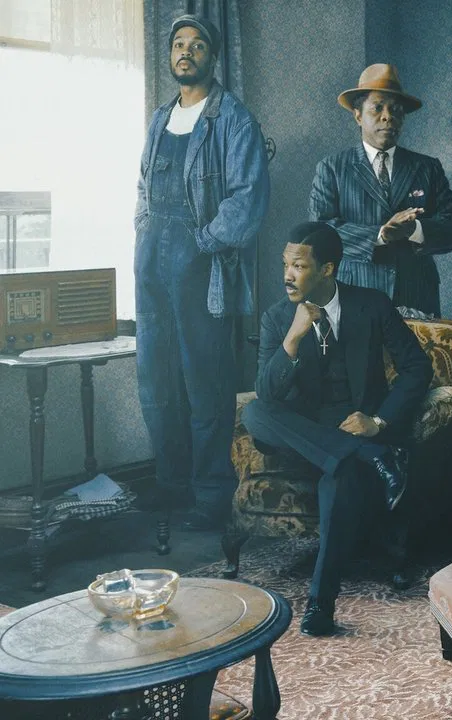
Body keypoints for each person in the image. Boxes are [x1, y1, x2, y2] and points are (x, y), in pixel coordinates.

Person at [243, 222, 430, 636]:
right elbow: (267, 394)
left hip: (355, 430)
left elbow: (418, 368)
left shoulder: (372, 304)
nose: (287, 275)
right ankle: (376, 458)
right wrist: (293, 339)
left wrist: (378, 423)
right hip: (305, 438)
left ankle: (320, 605)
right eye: (285, 265)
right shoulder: (277, 318)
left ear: (327, 269)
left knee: (339, 478)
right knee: (255, 412)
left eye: (298, 266)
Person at [134, 13, 269, 529]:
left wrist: (203, 242)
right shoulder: (158, 119)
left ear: (212, 57)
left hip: (200, 264)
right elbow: (142, 187)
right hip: (152, 259)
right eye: (178, 44)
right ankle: (170, 483)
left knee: (205, 381)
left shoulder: (233, 119)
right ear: (170, 55)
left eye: (196, 45)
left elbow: (248, 198)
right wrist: (144, 231)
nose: (185, 52)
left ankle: (211, 496)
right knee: (157, 378)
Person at [310, 64, 452, 317]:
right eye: (377, 108)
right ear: (358, 115)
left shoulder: (427, 167)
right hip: (356, 296)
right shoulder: (332, 168)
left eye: (396, 110)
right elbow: (321, 233)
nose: (388, 116)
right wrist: (381, 235)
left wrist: (414, 230)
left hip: (417, 297)